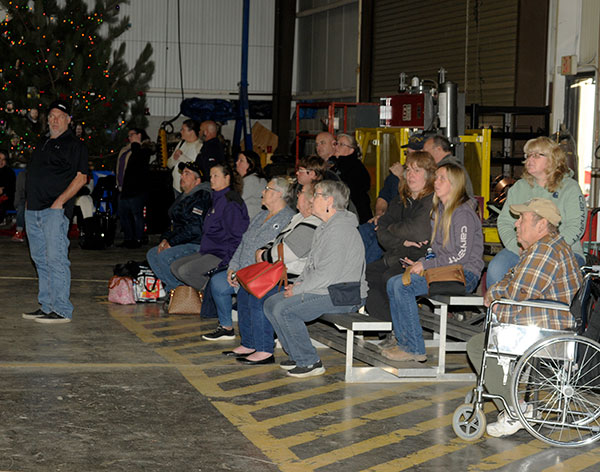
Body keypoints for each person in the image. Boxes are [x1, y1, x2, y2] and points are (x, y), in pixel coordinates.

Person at [467, 198, 582, 438]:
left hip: (547, 327)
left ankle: (515, 410)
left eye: (522, 219)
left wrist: (494, 296)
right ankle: (515, 402)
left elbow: (517, 292)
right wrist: (500, 294)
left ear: (542, 224)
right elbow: (512, 279)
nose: (516, 224)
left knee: (478, 346)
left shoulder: (545, 251)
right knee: (490, 332)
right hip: (547, 320)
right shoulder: (547, 247)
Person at [263, 180, 368, 378]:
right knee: (271, 303)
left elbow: (327, 275)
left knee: (285, 310)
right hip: (328, 289)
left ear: (329, 201)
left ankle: (310, 361)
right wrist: (297, 285)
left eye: (317, 195)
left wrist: (298, 290)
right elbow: (311, 266)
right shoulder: (326, 227)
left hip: (344, 294)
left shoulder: (340, 230)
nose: (312, 200)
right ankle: (297, 354)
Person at [383, 163, 484, 362]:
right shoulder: (439, 211)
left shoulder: (463, 213)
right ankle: (403, 342)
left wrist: (426, 266)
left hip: (464, 274)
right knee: (393, 282)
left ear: (454, 184)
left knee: (403, 286)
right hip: (445, 271)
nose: (436, 182)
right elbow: (436, 252)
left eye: (441, 178)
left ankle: (413, 348)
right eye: (436, 177)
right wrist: (420, 262)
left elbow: (461, 255)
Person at [226, 183, 321, 364]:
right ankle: (250, 343)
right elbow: (277, 240)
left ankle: (264, 349)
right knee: (245, 292)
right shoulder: (298, 218)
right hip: (279, 271)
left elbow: (290, 251)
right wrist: (265, 249)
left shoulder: (312, 222)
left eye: (301, 193)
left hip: (293, 277)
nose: (297, 195)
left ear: (310, 200)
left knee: (260, 296)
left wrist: (264, 254)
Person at [486, 136, 586, 288]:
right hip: (522, 249)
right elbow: (505, 222)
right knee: (496, 268)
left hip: (564, 251)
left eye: (537, 155)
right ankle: (499, 303)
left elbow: (576, 226)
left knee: (544, 276)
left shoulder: (570, 188)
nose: (529, 160)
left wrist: (544, 251)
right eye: (528, 155)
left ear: (553, 159)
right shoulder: (519, 188)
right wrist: (516, 246)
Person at [204, 177, 295, 341]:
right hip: (242, 270)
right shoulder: (261, 215)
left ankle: (266, 332)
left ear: (278, 194)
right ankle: (226, 327)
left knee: (249, 294)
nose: (262, 192)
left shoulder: (288, 219)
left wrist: (244, 272)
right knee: (217, 282)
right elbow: (243, 242)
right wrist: (233, 267)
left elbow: (277, 254)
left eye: (267, 189)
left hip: (263, 275)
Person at [22, 100, 88, 324]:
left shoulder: (75, 145)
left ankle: (61, 309)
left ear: (68, 120)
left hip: (54, 211)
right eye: (51, 116)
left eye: (60, 116)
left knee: (56, 259)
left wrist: (60, 202)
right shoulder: (43, 142)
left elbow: (81, 178)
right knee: (40, 259)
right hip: (33, 210)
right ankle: (47, 305)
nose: (54, 120)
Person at [365, 151, 436, 323]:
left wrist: (391, 227)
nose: (410, 175)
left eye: (417, 170)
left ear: (428, 175)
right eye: (408, 170)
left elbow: (419, 231)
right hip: (397, 254)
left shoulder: (432, 200)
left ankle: (400, 328)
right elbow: (381, 231)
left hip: (420, 259)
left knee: (390, 278)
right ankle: (387, 326)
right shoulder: (400, 199)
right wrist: (403, 241)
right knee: (366, 275)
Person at [170, 164, 250, 292]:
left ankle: (213, 293)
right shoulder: (216, 198)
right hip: (208, 250)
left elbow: (237, 236)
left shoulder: (231, 202)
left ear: (227, 178)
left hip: (222, 253)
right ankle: (200, 293)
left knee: (186, 271)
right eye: (211, 176)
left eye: (216, 176)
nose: (212, 179)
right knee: (175, 267)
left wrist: (228, 262)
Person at [146, 162, 212, 293]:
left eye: (187, 174)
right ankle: (176, 291)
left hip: (197, 243)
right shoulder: (184, 197)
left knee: (164, 256)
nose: (182, 176)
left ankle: (182, 293)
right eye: (182, 173)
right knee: (152, 254)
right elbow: (174, 224)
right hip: (183, 241)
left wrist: (172, 242)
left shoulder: (202, 196)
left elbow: (195, 228)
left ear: (197, 180)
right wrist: (165, 239)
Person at [359, 133, 425, 264]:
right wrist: (380, 214)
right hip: (389, 218)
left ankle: (366, 269)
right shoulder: (397, 173)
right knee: (363, 230)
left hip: (404, 224)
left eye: (415, 153)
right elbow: (383, 197)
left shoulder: (424, 176)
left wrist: (402, 178)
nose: (409, 157)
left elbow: (411, 201)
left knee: (379, 240)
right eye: (408, 153)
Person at [115, 128, 152, 249]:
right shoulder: (126, 149)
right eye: (129, 135)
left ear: (139, 135)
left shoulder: (144, 149)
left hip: (136, 188)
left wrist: (136, 144)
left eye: (132, 135)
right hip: (123, 188)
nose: (129, 137)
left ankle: (138, 238)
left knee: (137, 215)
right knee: (123, 215)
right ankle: (128, 238)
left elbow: (137, 162)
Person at [332, 133, 372, 224]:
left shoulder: (356, 168)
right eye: (336, 143)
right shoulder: (337, 165)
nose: (336, 147)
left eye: (341, 144)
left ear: (351, 150)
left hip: (355, 214)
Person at [167, 119, 202, 197]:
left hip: (190, 189)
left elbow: (198, 168)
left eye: (183, 129)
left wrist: (182, 157)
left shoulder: (199, 146)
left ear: (191, 132)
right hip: (176, 187)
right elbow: (169, 164)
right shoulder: (181, 143)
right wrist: (174, 158)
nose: (181, 132)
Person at [236, 149, 267, 219]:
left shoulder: (251, 180)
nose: (237, 163)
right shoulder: (256, 178)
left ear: (250, 164)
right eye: (238, 160)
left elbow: (237, 201)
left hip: (251, 219)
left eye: (241, 161)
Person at [0, 150, 16, 224]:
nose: (1, 161)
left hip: (6, 198)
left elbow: (12, 188)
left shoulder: (9, 172)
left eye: (3, 160)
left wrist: (3, 190)